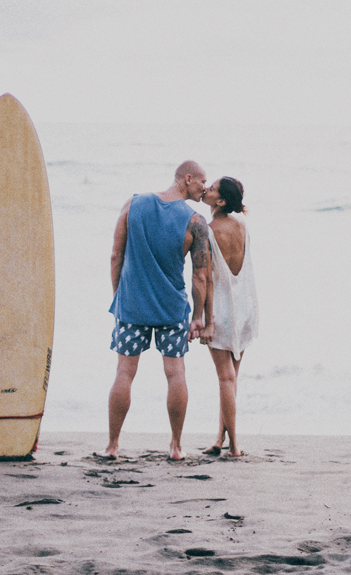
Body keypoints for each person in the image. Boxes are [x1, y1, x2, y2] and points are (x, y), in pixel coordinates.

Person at [101, 161, 213, 461]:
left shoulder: (133, 204)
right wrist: (197, 317)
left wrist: (119, 297)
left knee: (124, 372)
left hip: (132, 306)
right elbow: (200, 275)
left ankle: (112, 446)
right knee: (175, 373)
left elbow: (116, 255)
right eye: (203, 181)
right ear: (187, 179)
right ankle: (176, 446)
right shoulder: (195, 222)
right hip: (171, 309)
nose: (206, 187)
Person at [201, 177, 258, 458]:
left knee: (225, 379)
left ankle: (234, 445)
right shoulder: (242, 227)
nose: (206, 190)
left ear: (221, 201)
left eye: (211, 189)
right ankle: (219, 440)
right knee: (232, 378)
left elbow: (207, 279)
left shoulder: (209, 230)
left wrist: (206, 319)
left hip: (222, 311)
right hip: (245, 309)